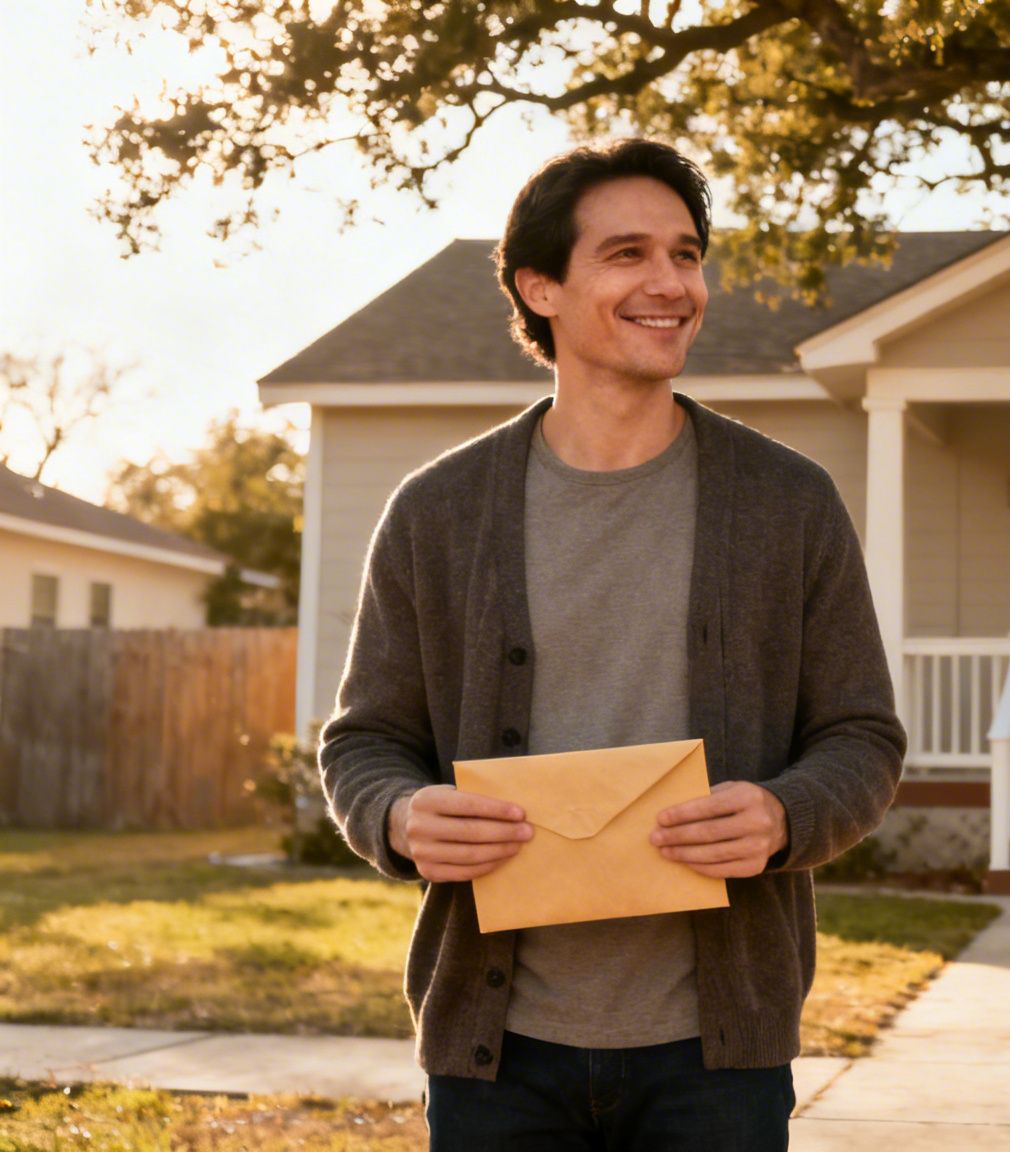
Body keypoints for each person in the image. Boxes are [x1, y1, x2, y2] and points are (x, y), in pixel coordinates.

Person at [318, 137, 905, 1150]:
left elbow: (861, 736)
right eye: (627, 254)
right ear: (539, 287)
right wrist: (400, 817)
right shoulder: (438, 513)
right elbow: (363, 742)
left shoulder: (788, 502)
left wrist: (785, 813)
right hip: (498, 1056)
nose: (670, 283)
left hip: (718, 1060)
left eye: (686, 255)